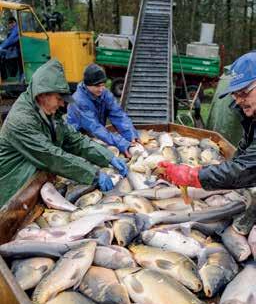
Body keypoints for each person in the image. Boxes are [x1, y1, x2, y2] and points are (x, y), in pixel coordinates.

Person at [0, 58, 128, 208]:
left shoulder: (48, 111)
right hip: (13, 187)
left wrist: (107, 156)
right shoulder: (21, 120)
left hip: (35, 181)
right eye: (59, 98)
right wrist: (94, 174)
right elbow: (51, 156)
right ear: (42, 95)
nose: (62, 104)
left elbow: (74, 139)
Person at [158, 50, 256, 193]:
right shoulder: (251, 115)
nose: (239, 100)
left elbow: (247, 168)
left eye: (243, 92)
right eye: (234, 94)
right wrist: (211, 171)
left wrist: (193, 175)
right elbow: (243, 153)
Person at [66, 63, 139, 157]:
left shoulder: (104, 94)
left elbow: (118, 115)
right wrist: (122, 143)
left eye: (103, 85)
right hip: (78, 138)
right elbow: (94, 127)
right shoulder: (79, 101)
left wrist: (130, 134)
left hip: (97, 134)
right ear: (87, 84)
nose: (101, 89)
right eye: (97, 86)